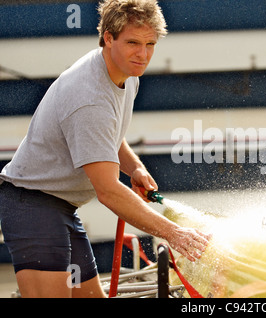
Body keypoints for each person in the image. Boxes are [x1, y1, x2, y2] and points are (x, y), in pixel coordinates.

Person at [0, 0, 209, 298]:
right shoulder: (90, 97)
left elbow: (105, 135)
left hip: (60, 206)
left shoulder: (125, 73)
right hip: (32, 206)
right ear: (108, 37)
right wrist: (174, 233)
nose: (143, 54)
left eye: (151, 44)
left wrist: (134, 167)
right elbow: (108, 190)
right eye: (133, 43)